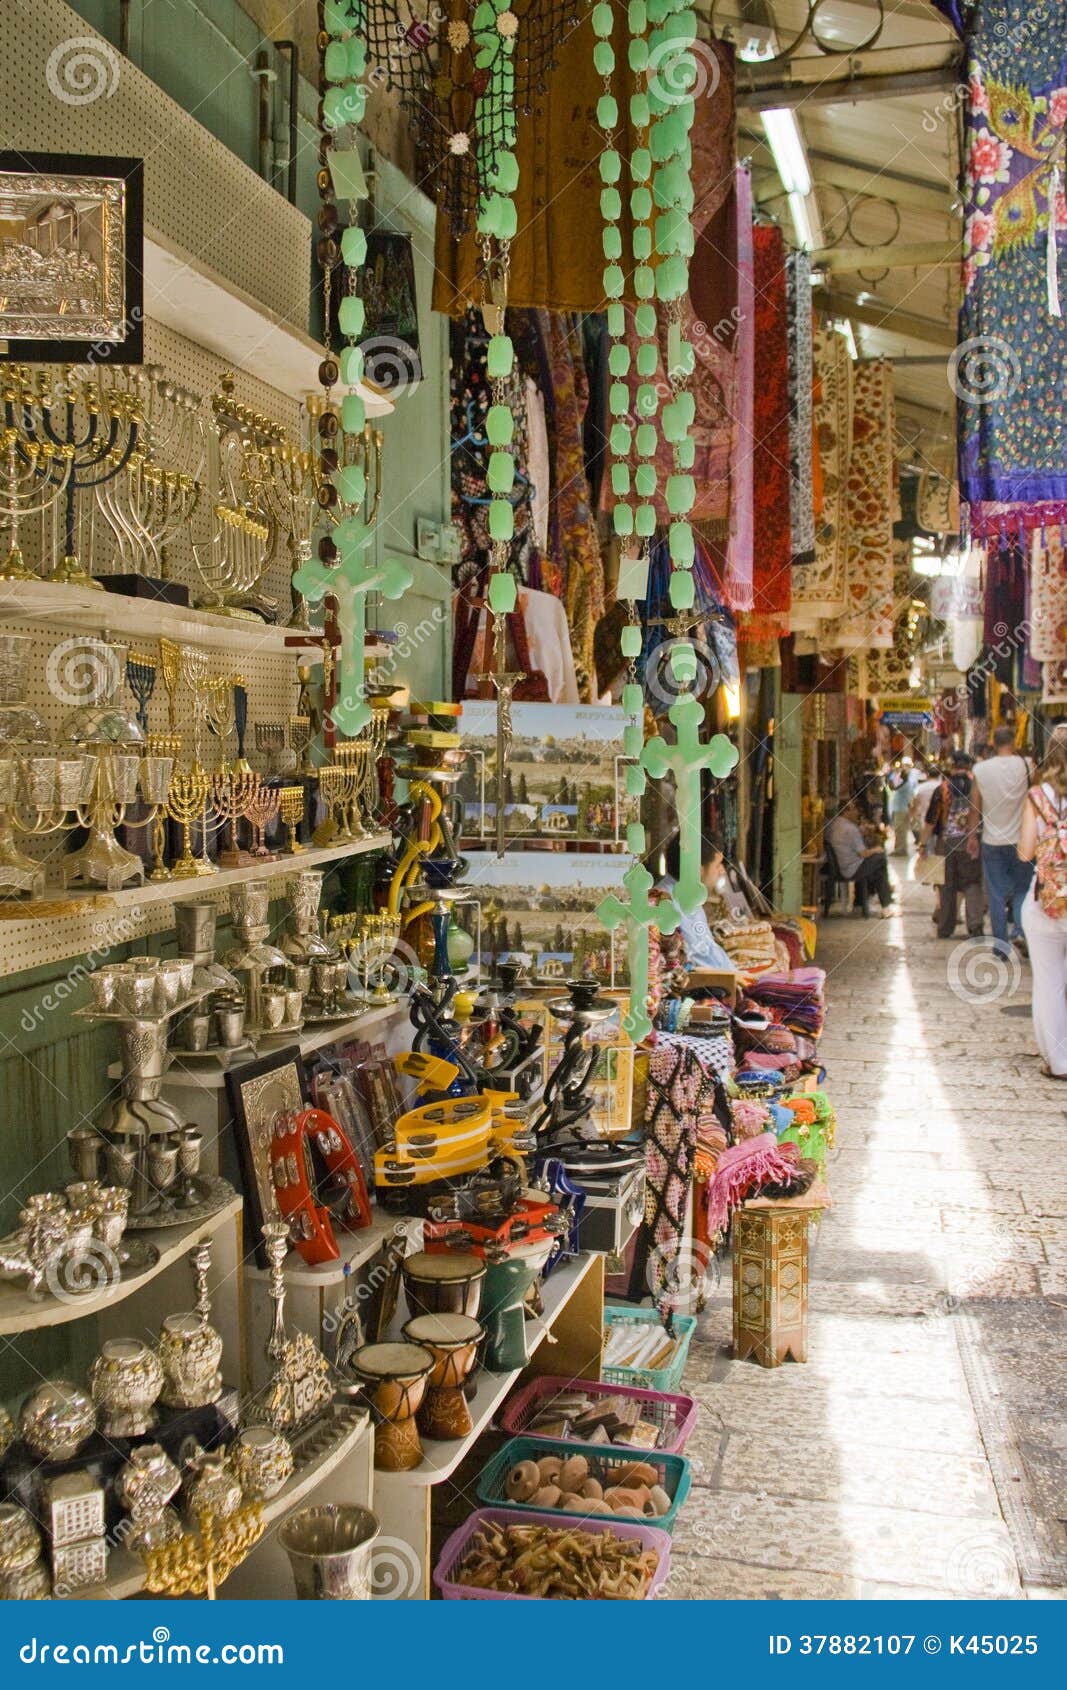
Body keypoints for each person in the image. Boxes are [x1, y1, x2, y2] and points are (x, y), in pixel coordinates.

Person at [1018, 724, 1067, 1078]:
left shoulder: (1037, 796)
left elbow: (1024, 851)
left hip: (1046, 902)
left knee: (1049, 982)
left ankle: (1059, 1060)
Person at [972, 725, 1034, 958]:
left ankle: (1000, 946)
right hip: (1023, 839)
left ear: (993, 743)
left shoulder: (981, 769)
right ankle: (1019, 930)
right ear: (1014, 741)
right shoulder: (1027, 764)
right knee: (1022, 890)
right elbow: (1035, 797)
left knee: (997, 895)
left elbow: (974, 807)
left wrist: (971, 837)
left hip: (992, 840)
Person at [920, 750, 984, 938]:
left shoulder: (942, 789)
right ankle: (975, 926)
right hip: (972, 841)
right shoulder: (976, 786)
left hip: (946, 843)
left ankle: (945, 927)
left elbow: (931, 821)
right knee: (972, 883)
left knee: (946, 884)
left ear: (952, 767)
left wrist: (923, 845)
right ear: (969, 766)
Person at [825, 798, 894, 917]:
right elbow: (863, 853)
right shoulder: (850, 829)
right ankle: (885, 906)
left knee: (876, 870)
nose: (857, 812)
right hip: (850, 869)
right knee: (880, 859)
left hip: (840, 866)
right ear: (846, 811)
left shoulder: (833, 824)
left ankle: (860, 903)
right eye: (854, 809)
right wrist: (876, 849)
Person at [887, 758, 919, 856]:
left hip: (901, 810)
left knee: (900, 831)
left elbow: (892, 786)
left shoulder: (904, 785)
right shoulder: (906, 783)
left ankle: (900, 850)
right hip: (902, 809)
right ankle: (900, 849)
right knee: (900, 831)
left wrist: (890, 775)